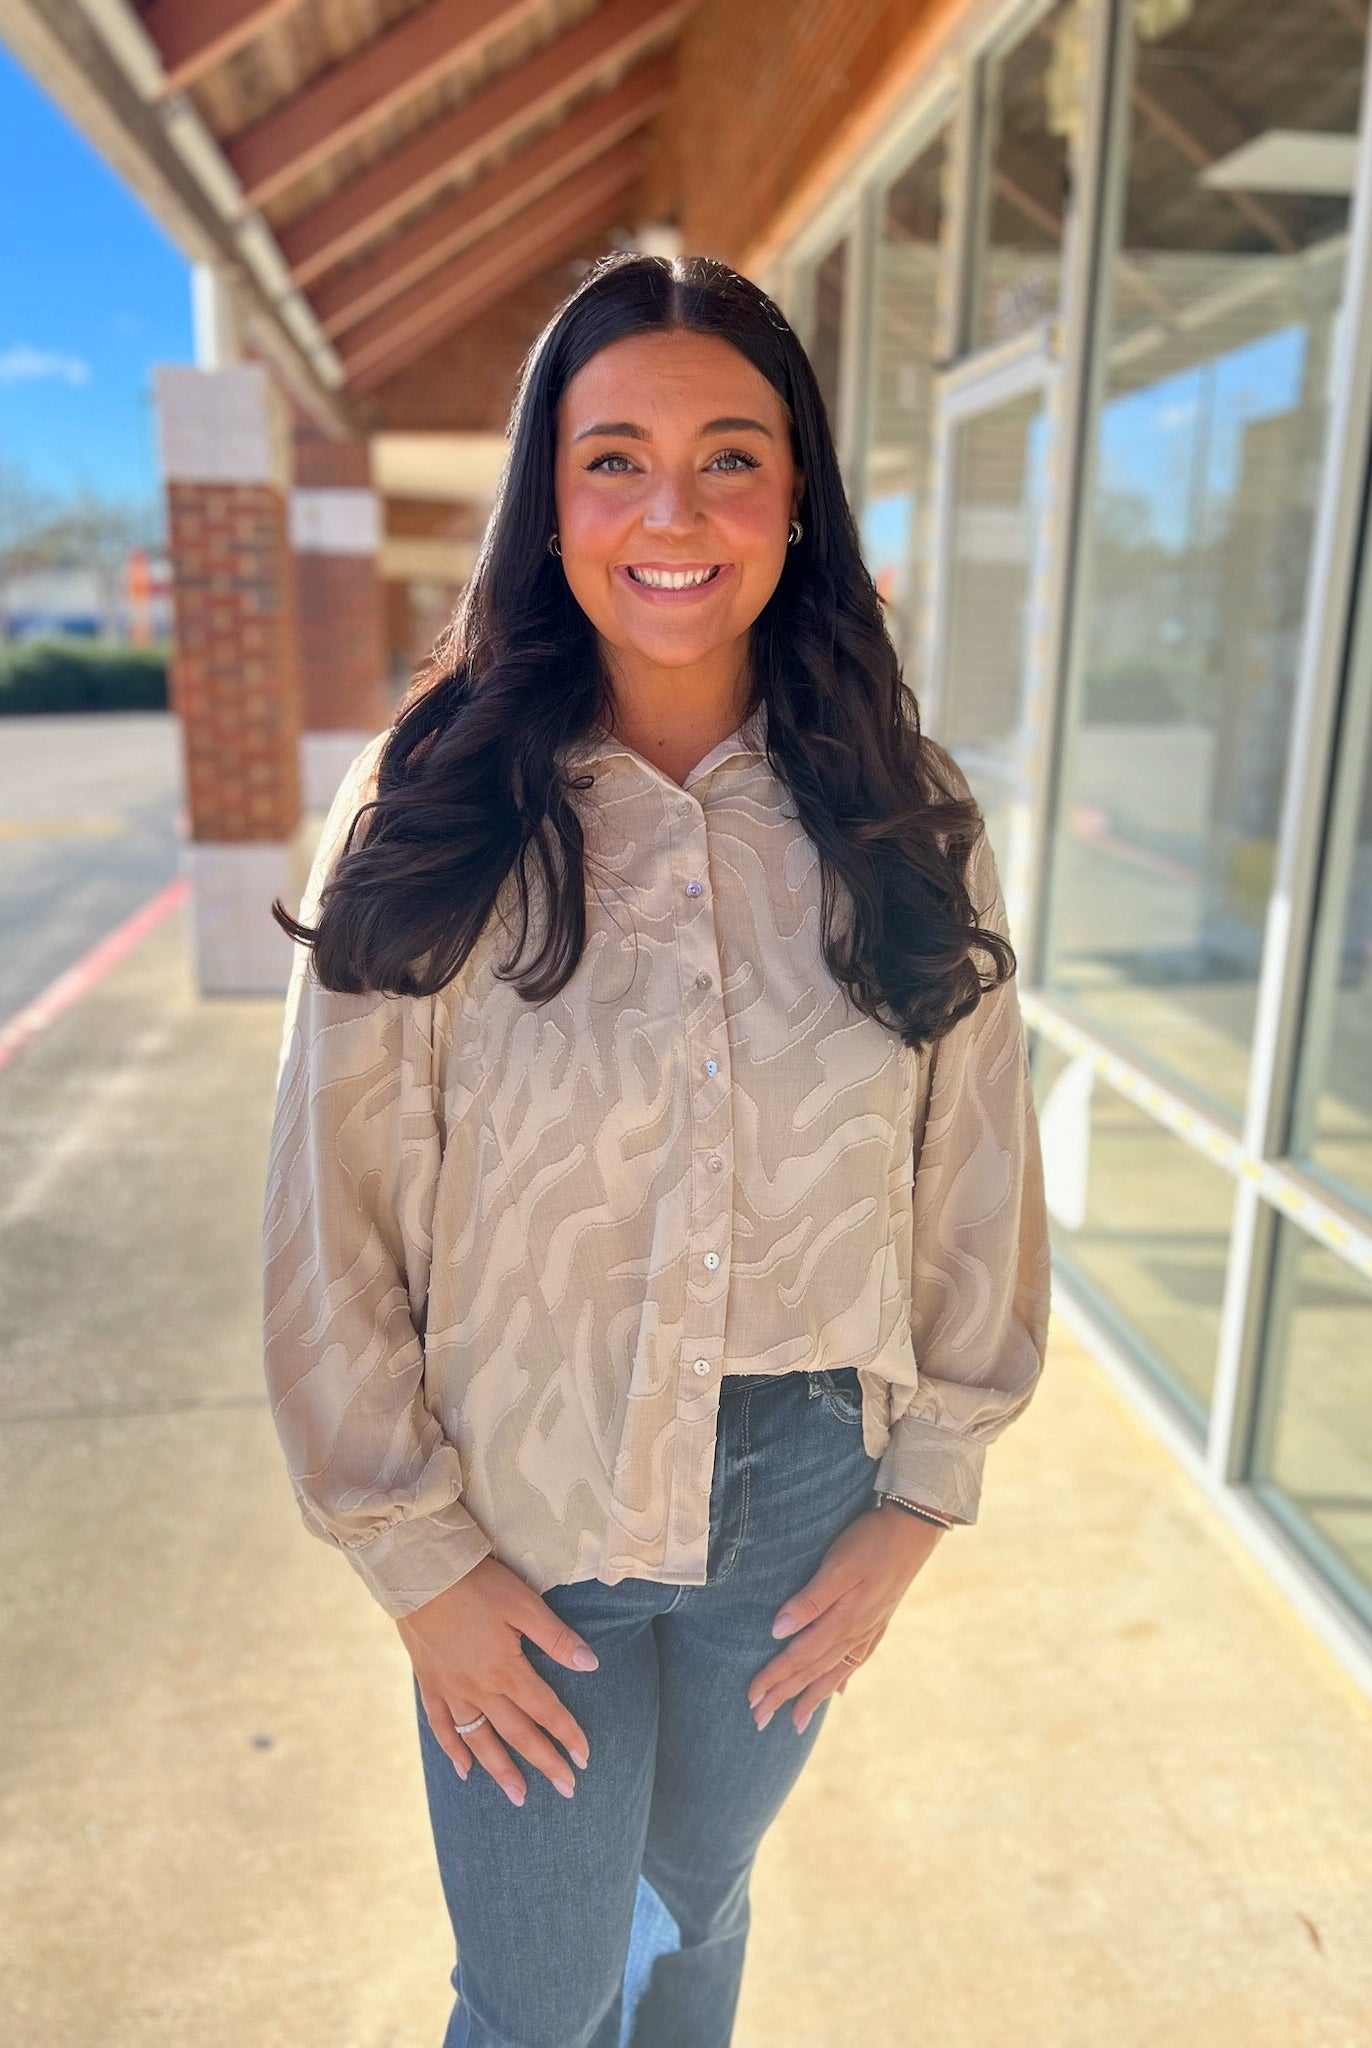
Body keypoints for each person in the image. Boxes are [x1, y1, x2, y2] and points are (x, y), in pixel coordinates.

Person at [260, 251, 1052, 2048]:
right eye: (613, 457)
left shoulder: (906, 813)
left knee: (696, 1918)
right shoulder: (429, 809)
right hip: (522, 1514)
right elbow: (334, 1222)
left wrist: (924, 1494)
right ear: (550, 502)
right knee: (539, 2000)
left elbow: (973, 1176)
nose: (670, 512)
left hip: (800, 1490)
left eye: (730, 457)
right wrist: (413, 1559)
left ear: (796, 502)